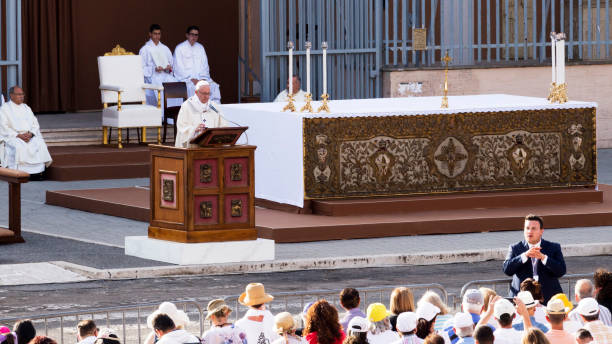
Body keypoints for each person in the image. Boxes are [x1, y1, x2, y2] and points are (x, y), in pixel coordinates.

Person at [502, 214, 566, 304]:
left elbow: (561, 270)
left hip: (548, 298)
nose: (529, 231)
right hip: (522, 298)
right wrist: (524, 255)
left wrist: (544, 258)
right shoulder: (515, 248)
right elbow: (506, 269)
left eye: (533, 228)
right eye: (527, 228)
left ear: (541, 231)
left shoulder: (553, 247)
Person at [0, 86, 52, 177]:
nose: (22, 96)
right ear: (11, 95)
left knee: (39, 143)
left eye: (22, 94)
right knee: (19, 146)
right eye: (19, 94)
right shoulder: (4, 108)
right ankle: (19, 174)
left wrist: (31, 134)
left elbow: (35, 123)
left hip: (28, 135)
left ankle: (38, 173)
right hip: (14, 136)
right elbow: (3, 126)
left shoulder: (26, 107)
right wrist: (18, 135)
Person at [174, 80, 230, 148]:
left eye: (208, 93)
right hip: (192, 147)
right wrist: (194, 129)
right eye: (204, 93)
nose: (206, 96)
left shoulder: (213, 106)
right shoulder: (187, 106)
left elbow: (223, 124)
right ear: (196, 92)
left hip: (211, 145)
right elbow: (181, 127)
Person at [173, 25, 221, 103]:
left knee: (214, 86)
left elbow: (205, 66)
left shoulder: (200, 48)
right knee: (194, 88)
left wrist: (203, 78)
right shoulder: (180, 48)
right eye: (192, 34)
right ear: (187, 35)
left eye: (196, 35)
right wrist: (191, 79)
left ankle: (213, 112)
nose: (194, 37)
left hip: (201, 78)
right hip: (187, 80)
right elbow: (178, 68)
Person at [139, 24, 176, 108]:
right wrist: (153, 69)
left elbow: (171, 65)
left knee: (175, 84)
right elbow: (141, 68)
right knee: (159, 86)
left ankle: (171, 115)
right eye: (155, 33)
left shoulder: (165, 48)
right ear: (150, 34)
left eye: (159, 34)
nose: (157, 36)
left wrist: (168, 68)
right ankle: (160, 116)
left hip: (165, 75)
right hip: (152, 77)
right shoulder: (145, 49)